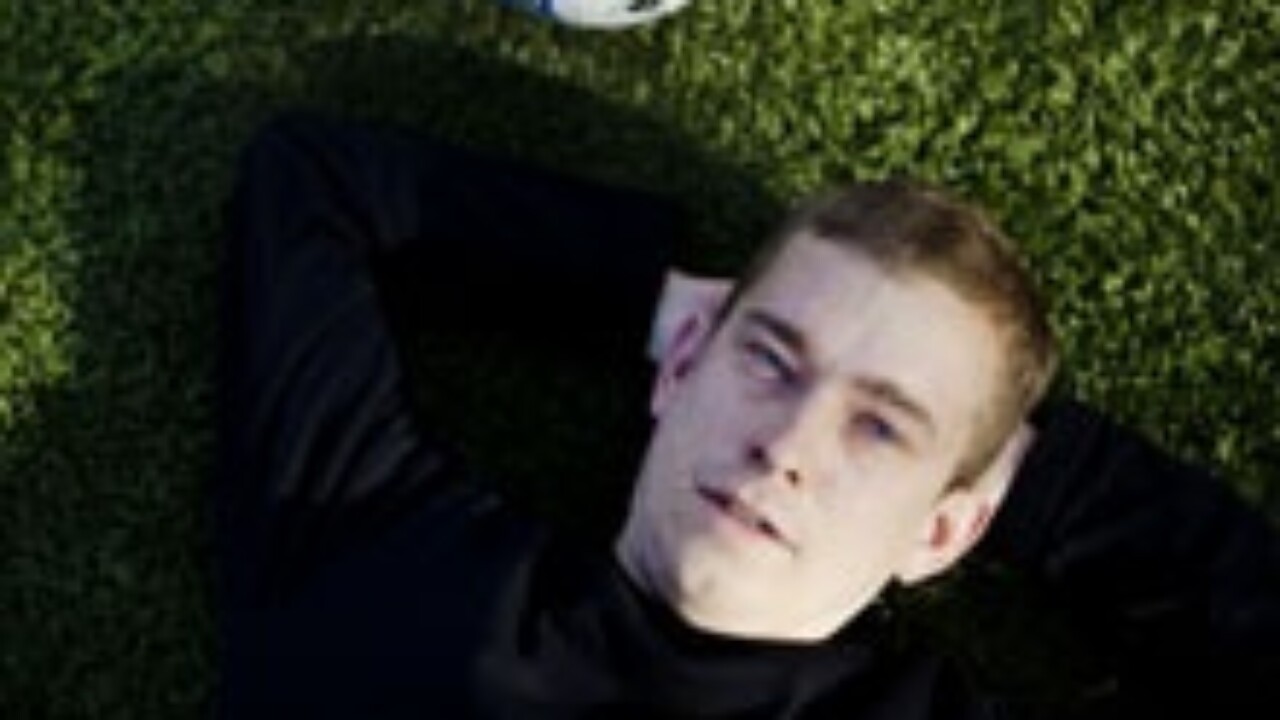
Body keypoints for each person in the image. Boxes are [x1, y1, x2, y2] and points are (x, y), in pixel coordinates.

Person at [214, 111, 1279, 718]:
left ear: (943, 532)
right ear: (685, 366)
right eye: (769, 360)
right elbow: (311, 186)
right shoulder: (376, 552)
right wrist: (644, 298)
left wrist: (1021, 469)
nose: (788, 443)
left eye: (881, 426)